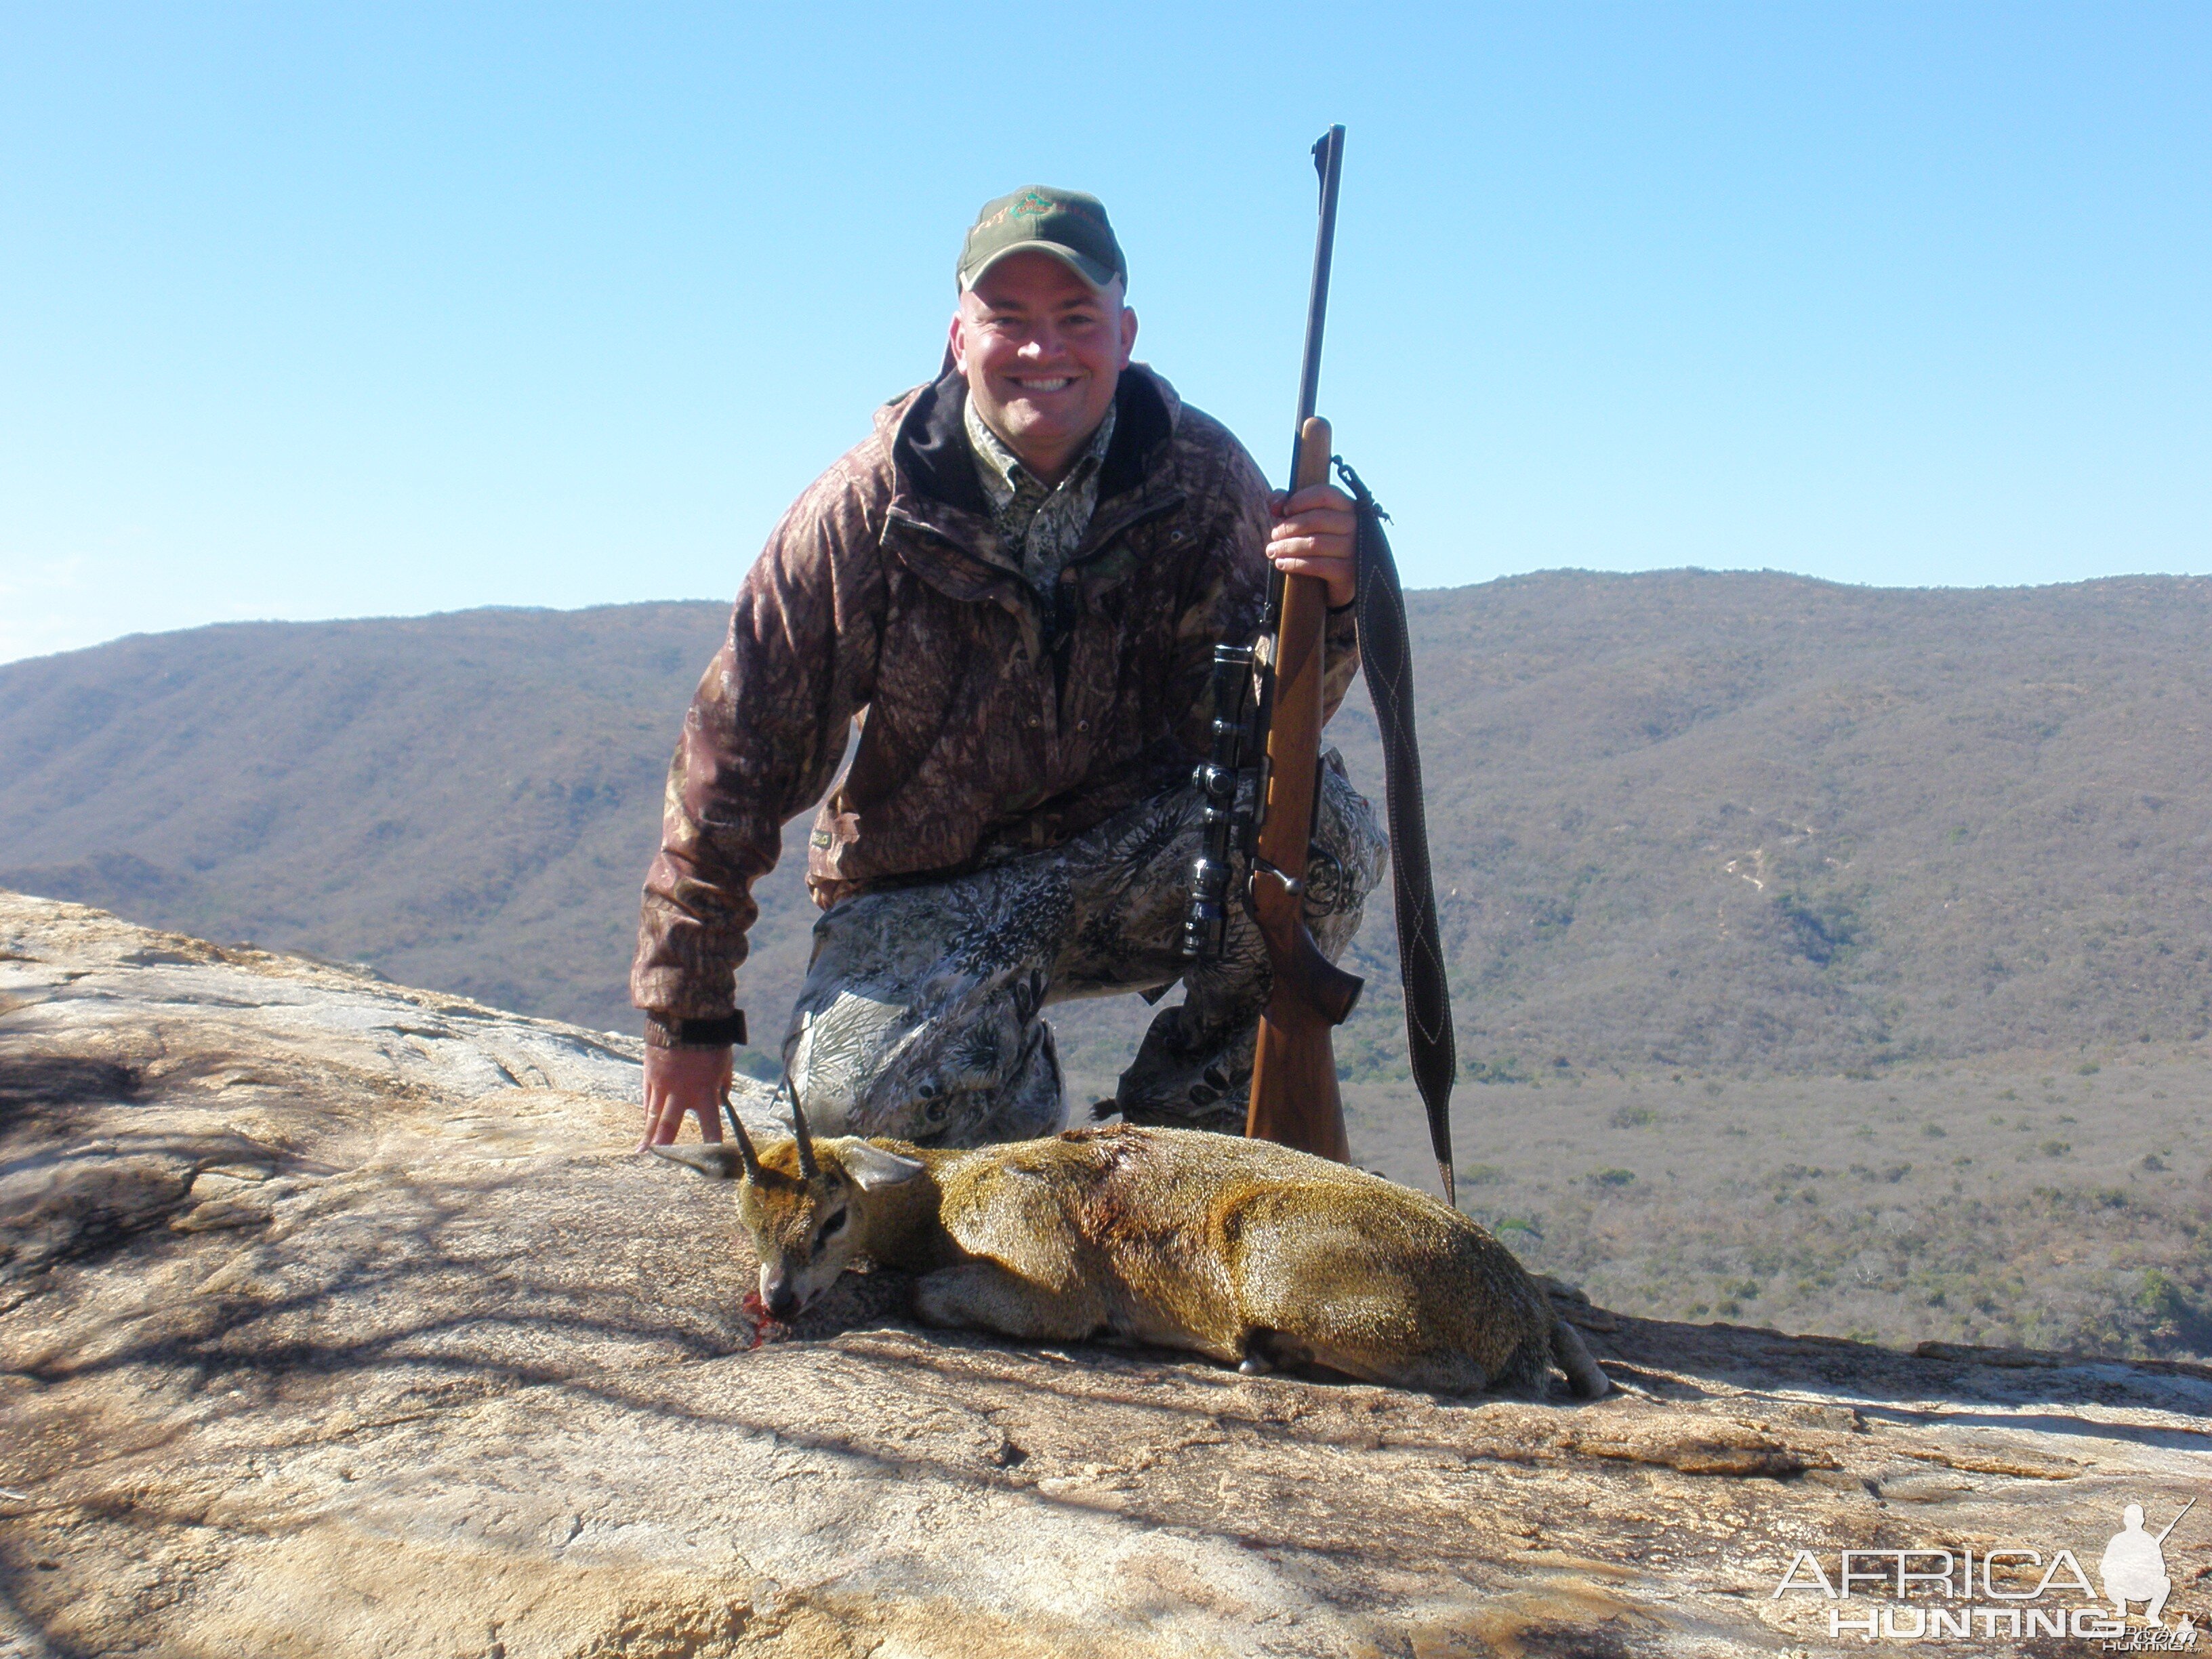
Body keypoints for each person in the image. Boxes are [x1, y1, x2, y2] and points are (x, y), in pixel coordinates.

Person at [632, 186, 1384, 1152]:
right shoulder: (867, 511)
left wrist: (1337, 601)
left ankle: (1196, 1136)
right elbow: (735, 763)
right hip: (928, 897)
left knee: (1320, 835)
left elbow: (1255, 737)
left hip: (1130, 865)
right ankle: (1010, 1090)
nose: (1044, 350)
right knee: (854, 1116)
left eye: (1076, 319)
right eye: (1008, 319)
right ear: (958, 337)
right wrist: (688, 1015)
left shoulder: (1203, 478)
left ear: (1125, 333)